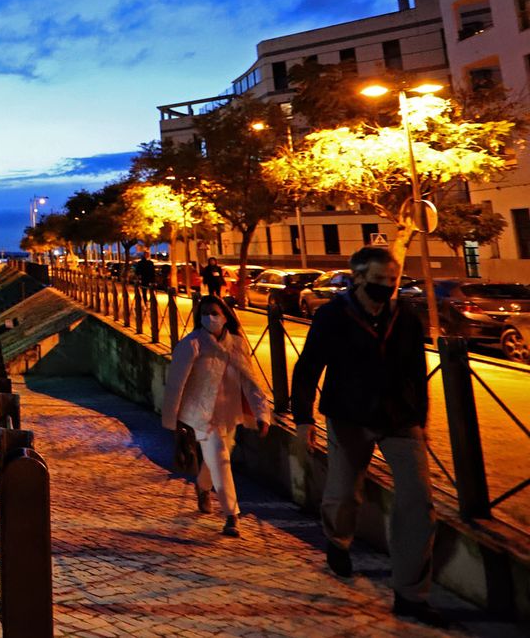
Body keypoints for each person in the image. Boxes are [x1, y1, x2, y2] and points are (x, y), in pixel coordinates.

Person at [291, 245, 445, 627]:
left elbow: (416, 371)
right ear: (357, 278)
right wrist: (303, 419)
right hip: (348, 417)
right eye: (378, 281)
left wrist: (421, 422)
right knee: (343, 493)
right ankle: (338, 539)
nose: (387, 288)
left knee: (418, 502)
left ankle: (410, 594)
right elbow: (309, 367)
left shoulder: (406, 318)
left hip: (399, 419)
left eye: (392, 281)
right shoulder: (332, 316)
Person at [163, 295, 269, 536]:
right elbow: (176, 385)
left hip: (229, 413)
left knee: (219, 456)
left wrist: (262, 414)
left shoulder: (238, 345)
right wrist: (174, 420)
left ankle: (202, 486)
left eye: (215, 312)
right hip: (201, 415)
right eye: (205, 313)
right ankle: (232, 515)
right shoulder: (191, 345)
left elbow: (250, 381)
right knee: (221, 459)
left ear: (225, 315)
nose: (210, 317)